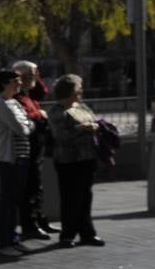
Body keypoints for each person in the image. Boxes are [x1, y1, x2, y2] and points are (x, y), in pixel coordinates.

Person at [51, 74, 105, 248]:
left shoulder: (82, 106)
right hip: (68, 160)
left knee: (85, 196)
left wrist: (95, 126)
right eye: (78, 87)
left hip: (87, 157)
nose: (81, 90)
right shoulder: (57, 111)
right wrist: (82, 128)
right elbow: (61, 136)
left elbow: (94, 120)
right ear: (69, 90)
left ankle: (87, 233)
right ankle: (67, 235)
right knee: (70, 198)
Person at [0, 68, 33, 258]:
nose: (20, 83)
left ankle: (13, 239)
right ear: (4, 84)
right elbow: (22, 128)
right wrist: (28, 124)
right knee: (7, 201)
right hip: (8, 158)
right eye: (16, 80)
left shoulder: (14, 102)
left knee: (14, 200)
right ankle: (3, 243)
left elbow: (28, 123)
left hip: (21, 156)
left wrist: (28, 124)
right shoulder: (2, 105)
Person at [12, 60, 57, 239]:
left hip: (37, 146)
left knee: (37, 186)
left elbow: (41, 92)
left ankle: (40, 219)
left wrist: (37, 77)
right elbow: (25, 116)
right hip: (26, 148)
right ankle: (29, 225)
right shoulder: (17, 96)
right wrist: (41, 115)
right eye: (30, 74)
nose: (33, 78)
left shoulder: (29, 94)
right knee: (29, 188)